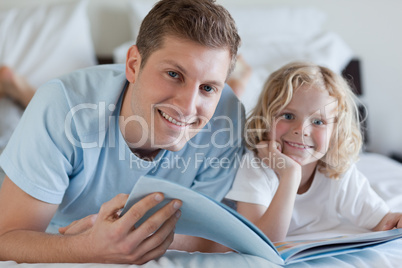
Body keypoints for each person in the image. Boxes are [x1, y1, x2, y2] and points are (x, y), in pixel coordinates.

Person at [0, 0, 244, 264]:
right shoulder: (62, 104)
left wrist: (126, 236)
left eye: (208, 88)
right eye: (174, 74)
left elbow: (217, 237)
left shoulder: (227, 118)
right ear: (133, 65)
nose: (188, 107)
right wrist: (87, 247)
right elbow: (7, 239)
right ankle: (19, 90)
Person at [226, 61, 402, 242]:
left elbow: (383, 221)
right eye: (288, 116)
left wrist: (396, 220)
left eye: (318, 121)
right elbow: (259, 241)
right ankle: (235, 83)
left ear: (336, 131)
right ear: (266, 119)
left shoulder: (337, 172)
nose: (301, 130)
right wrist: (290, 175)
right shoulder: (255, 166)